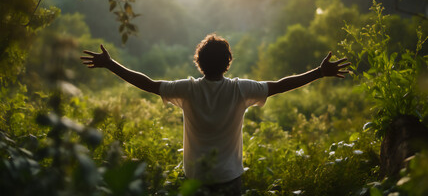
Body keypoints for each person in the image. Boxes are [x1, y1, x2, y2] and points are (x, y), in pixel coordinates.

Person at [80, 34, 350, 195]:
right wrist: (318, 72)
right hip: (230, 179)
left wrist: (111, 64)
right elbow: (280, 85)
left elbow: (149, 84)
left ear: (199, 62)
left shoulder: (187, 89)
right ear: (228, 63)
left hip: (196, 179)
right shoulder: (240, 90)